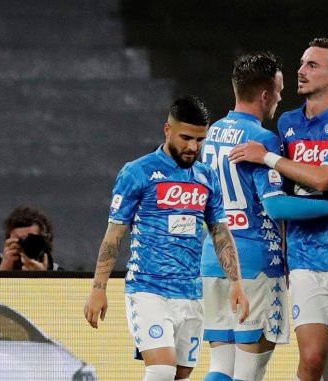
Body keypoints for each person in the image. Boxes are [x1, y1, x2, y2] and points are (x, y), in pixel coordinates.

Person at [200, 51, 328, 381]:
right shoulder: (262, 139)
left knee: (221, 367)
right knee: (248, 372)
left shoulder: (212, 134)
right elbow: (277, 207)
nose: (280, 97)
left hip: (212, 259)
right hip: (254, 263)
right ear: (265, 94)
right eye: (277, 90)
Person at [83, 96, 250, 381]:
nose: (192, 147)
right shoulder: (138, 172)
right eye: (186, 138)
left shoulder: (206, 177)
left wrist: (236, 282)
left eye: (200, 139)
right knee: (161, 369)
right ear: (167, 130)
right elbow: (115, 233)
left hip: (191, 292)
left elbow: (220, 232)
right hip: (148, 288)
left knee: (181, 373)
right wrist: (99, 288)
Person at [0, 206, 60, 271]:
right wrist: (3, 271)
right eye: (20, 241)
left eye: (31, 240)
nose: (25, 246)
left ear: (43, 243)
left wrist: (43, 279)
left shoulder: (61, 276)